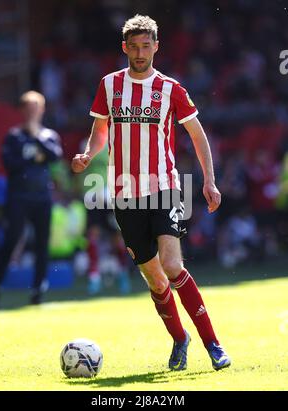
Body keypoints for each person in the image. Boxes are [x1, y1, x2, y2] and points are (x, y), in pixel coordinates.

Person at [71, 15, 231, 371]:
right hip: (124, 194)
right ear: (124, 47)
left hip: (164, 188)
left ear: (156, 47)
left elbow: (197, 134)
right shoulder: (110, 85)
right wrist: (88, 154)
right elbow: (100, 131)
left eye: (147, 46)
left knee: (172, 266)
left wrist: (209, 180)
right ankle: (180, 340)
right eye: (134, 47)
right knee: (156, 279)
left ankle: (213, 344)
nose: (140, 53)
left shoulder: (171, 88)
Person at [0, 91, 63, 308]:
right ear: (22, 110)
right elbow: (11, 164)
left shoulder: (48, 135)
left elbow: (54, 156)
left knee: (42, 245)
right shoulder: (13, 136)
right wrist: (34, 156)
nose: (32, 112)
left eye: (35, 108)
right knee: (11, 241)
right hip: (19, 197)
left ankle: (38, 291)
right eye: (28, 108)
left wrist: (36, 139)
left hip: (42, 198)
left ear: (42, 110)